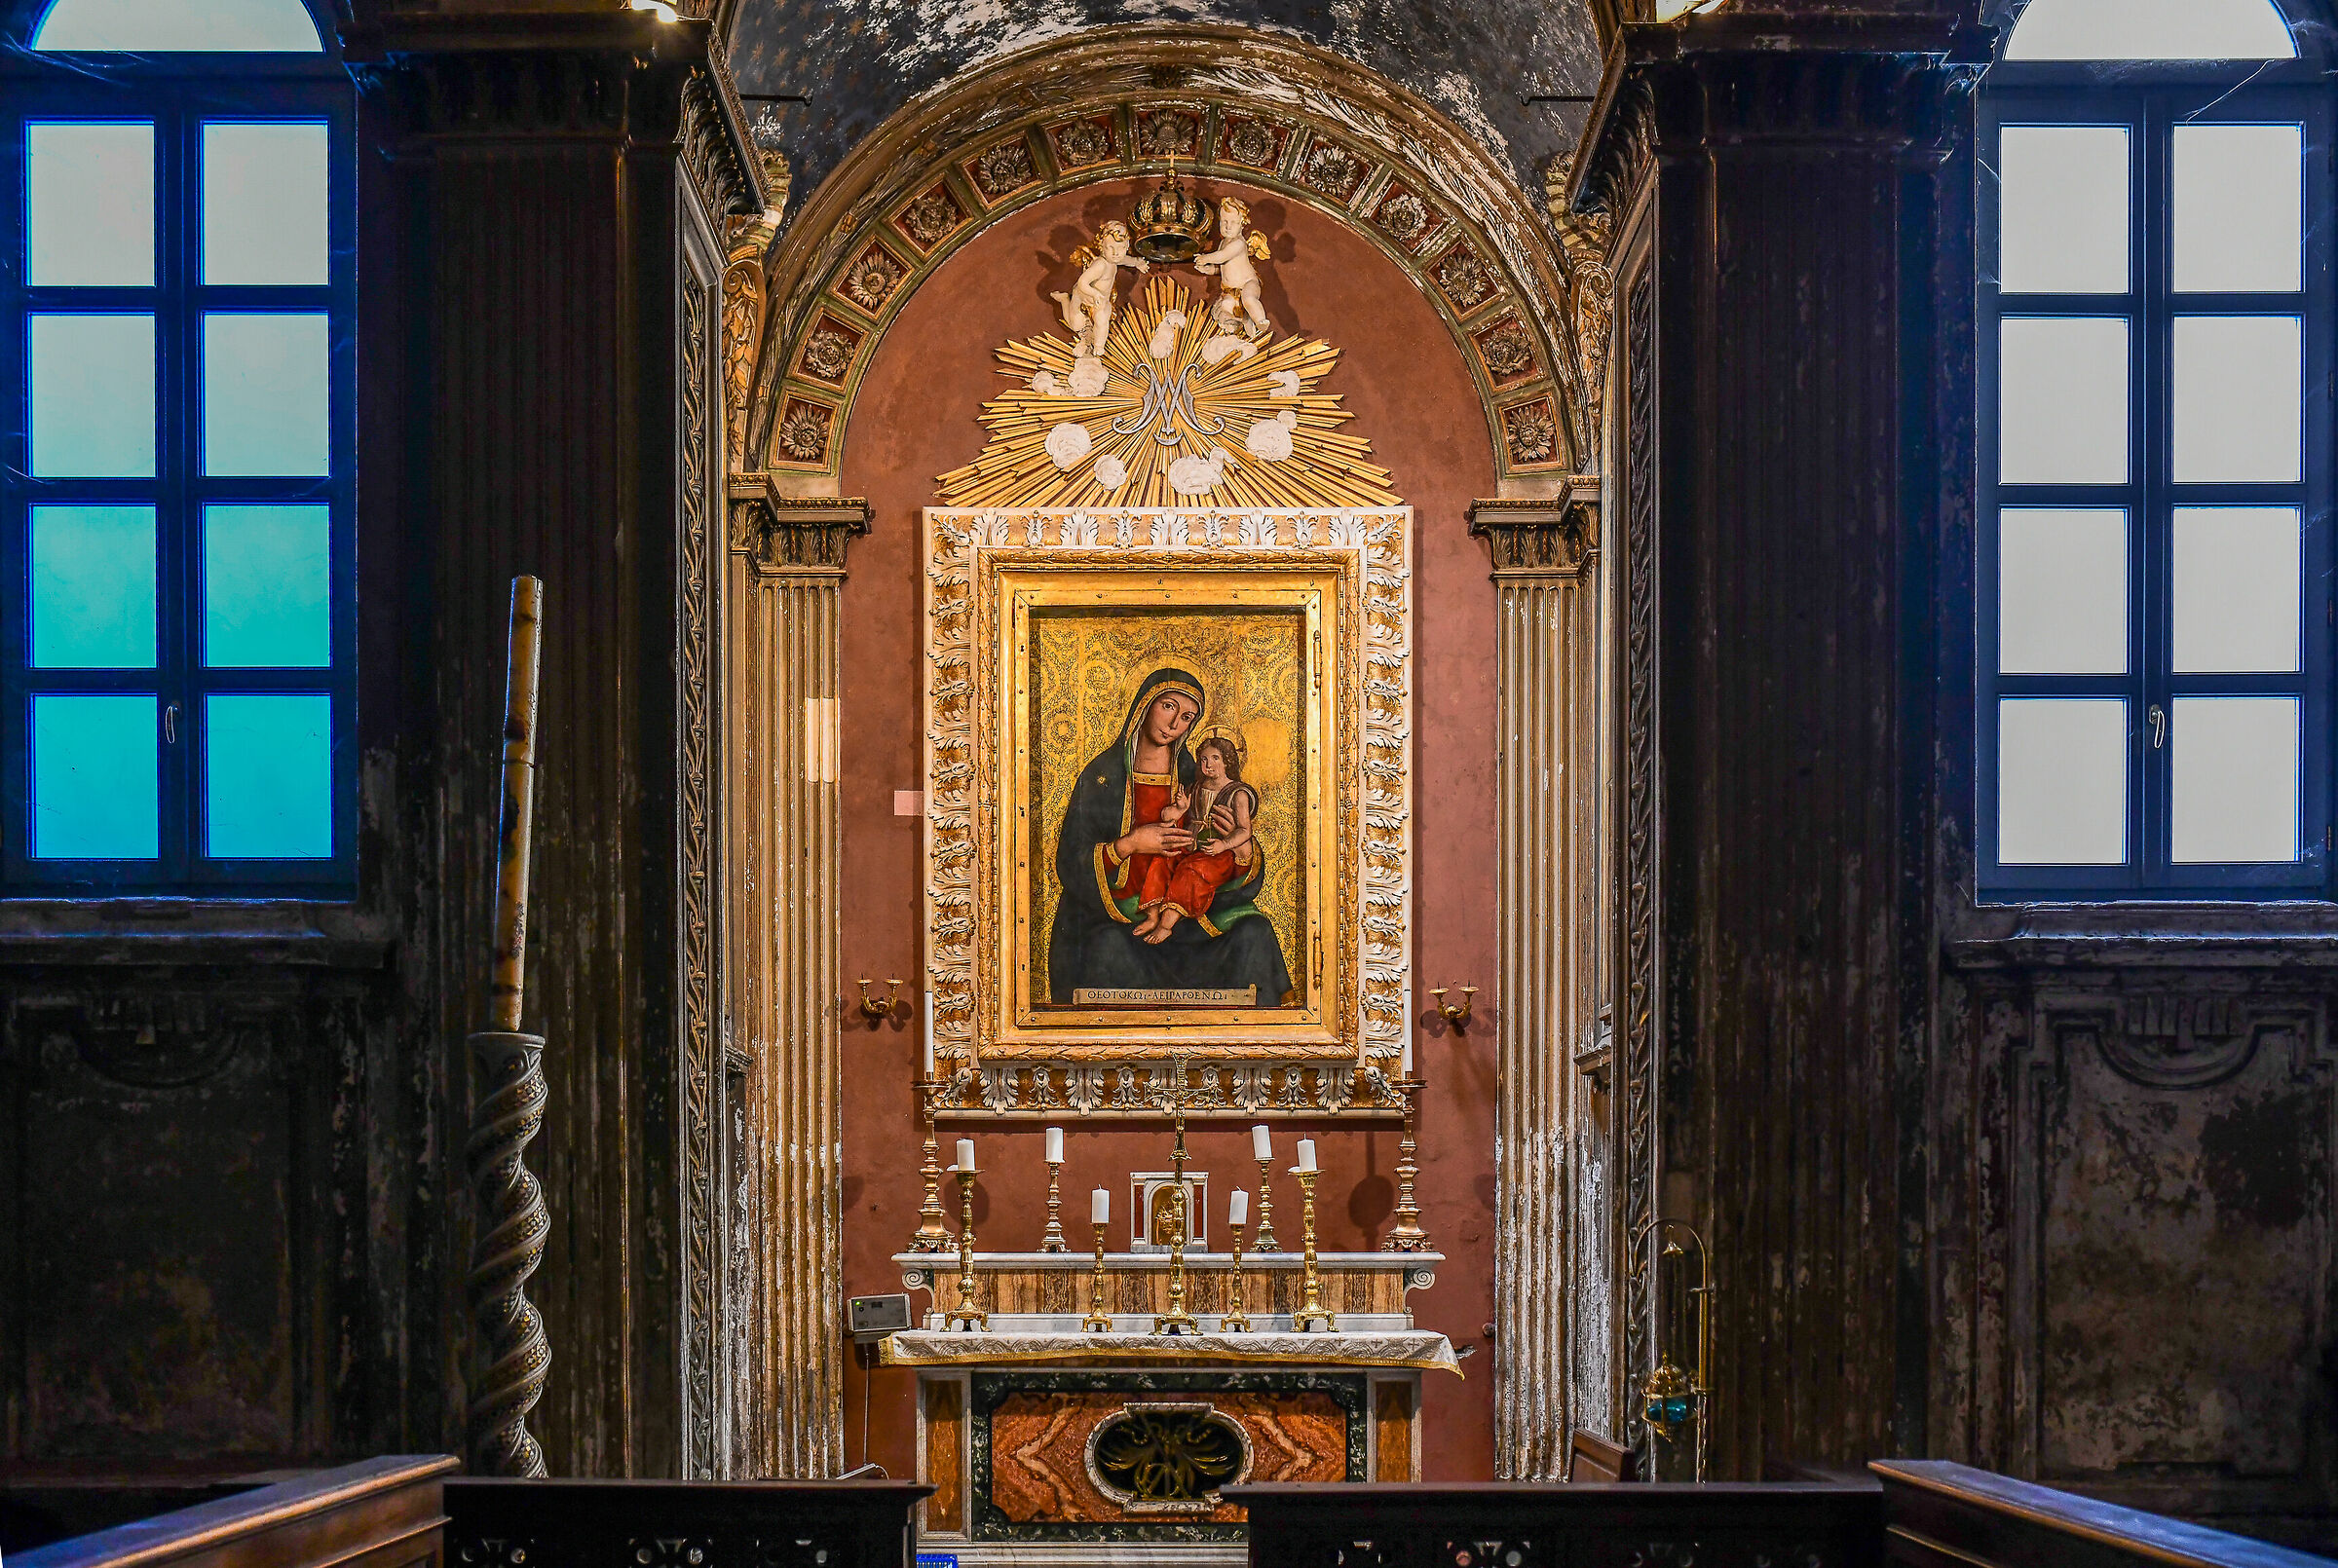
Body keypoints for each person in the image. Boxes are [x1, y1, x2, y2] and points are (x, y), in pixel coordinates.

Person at [1046, 667, 1294, 1006]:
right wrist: (1130, 844)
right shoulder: (1102, 776)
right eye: (1168, 706)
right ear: (1145, 705)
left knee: (1255, 935)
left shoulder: (1199, 776)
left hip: (1189, 915)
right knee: (1108, 949)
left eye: (1187, 716)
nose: (1176, 722)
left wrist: (1242, 850)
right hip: (1119, 917)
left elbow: (1234, 866)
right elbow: (1070, 862)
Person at [1131, 730, 1258, 945]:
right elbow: (1166, 816)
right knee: (1163, 860)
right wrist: (1180, 808)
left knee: (1190, 872)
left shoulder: (1238, 793)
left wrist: (1223, 844)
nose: (1208, 764)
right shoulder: (1197, 787)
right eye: (1204, 759)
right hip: (1192, 847)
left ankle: (1166, 925)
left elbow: (1245, 830)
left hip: (1218, 855)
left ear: (1227, 761)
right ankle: (1152, 916)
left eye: (1215, 758)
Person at [1051, 219, 1150, 358]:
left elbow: (1125, 260)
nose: (1116, 253)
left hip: (1101, 300)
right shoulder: (1100, 265)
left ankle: (1098, 346)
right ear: (1101, 246)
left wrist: (1137, 263)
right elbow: (1082, 282)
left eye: (1121, 248)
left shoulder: (1114, 260)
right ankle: (1064, 300)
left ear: (1127, 246)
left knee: (1102, 320)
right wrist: (1095, 294)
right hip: (1084, 297)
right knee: (1076, 325)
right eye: (1111, 248)